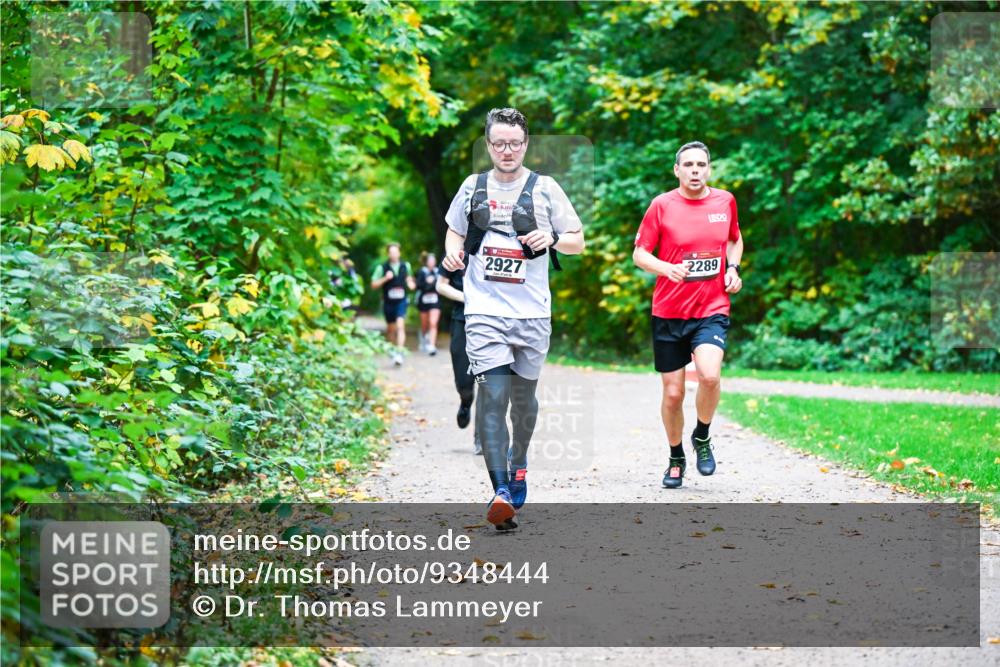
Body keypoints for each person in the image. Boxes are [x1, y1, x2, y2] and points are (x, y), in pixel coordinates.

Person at [441, 107, 585, 529]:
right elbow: (453, 230)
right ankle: (500, 489)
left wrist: (554, 237)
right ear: (488, 145)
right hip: (484, 312)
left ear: (526, 145)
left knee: (523, 401)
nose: (507, 150)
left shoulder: (546, 189)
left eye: (515, 143)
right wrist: (454, 250)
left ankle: (518, 461)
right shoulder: (473, 187)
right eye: (499, 143)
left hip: (533, 315)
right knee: (493, 396)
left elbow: (577, 241)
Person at [632, 141, 744, 489]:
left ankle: (703, 436)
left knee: (709, 376)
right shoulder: (661, 206)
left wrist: (734, 269)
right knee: (673, 395)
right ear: (677, 170)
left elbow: (734, 240)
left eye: (701, 165)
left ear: (708, 169)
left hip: (711, 308)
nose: (695, 171)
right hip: (669, 311)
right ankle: (676, 456)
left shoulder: (724, 202)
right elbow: (639, 254)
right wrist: (666, 268)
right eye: (688, 165)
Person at [437, 264, 483, 455]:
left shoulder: (499, 244)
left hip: (492, 322)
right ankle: (465, 401)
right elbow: (441, 285)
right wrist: (466, 297)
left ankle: (482, 438)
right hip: (462, 318)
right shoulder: (457, 252)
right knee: (464, 383)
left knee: (489, 382)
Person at [370, 242, 416, 366]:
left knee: (400, 326)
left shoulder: (406, 266)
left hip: (401, 301)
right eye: (391, 252)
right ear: (388, 254)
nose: (394, 254)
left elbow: (409, 278)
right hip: (388, 302)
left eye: (396, 252)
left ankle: (399, 352)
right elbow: (373, 285)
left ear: (399, 253)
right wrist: (385, 278)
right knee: (391, 330)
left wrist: (411, 283)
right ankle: (393, 351)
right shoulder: (382, 267)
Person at [415, 252, 442, 355]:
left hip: (435, 301)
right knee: (425, 324)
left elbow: (441, 285)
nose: (431, 262)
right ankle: (423, 337)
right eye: (429, 260)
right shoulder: (422, 272)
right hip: (424, 301)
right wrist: (427, 282)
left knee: (433, 322)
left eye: (433, 260)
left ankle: (432, 345)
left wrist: (433, 282)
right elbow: (418, 285)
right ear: (426, 262)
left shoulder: (438, 272)